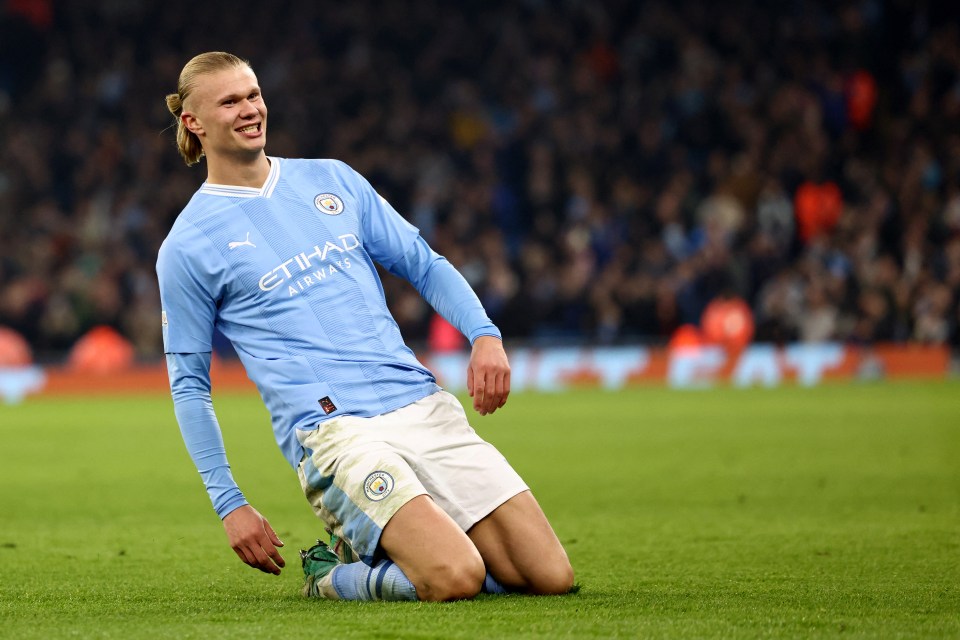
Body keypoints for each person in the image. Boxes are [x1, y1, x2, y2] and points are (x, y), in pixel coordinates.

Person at [157, 51, 574, 602]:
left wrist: (485, 335)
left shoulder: (331, 179)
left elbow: (423, 263)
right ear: (194, 122)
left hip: (418, 402)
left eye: (253, 95)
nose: (249, 110)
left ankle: (388, 545)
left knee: (549, 577)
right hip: (335, 431)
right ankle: (330, 574)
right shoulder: (187, 245)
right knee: (455, 578)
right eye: (229, 101)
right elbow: (190, 385)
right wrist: (230, 503)